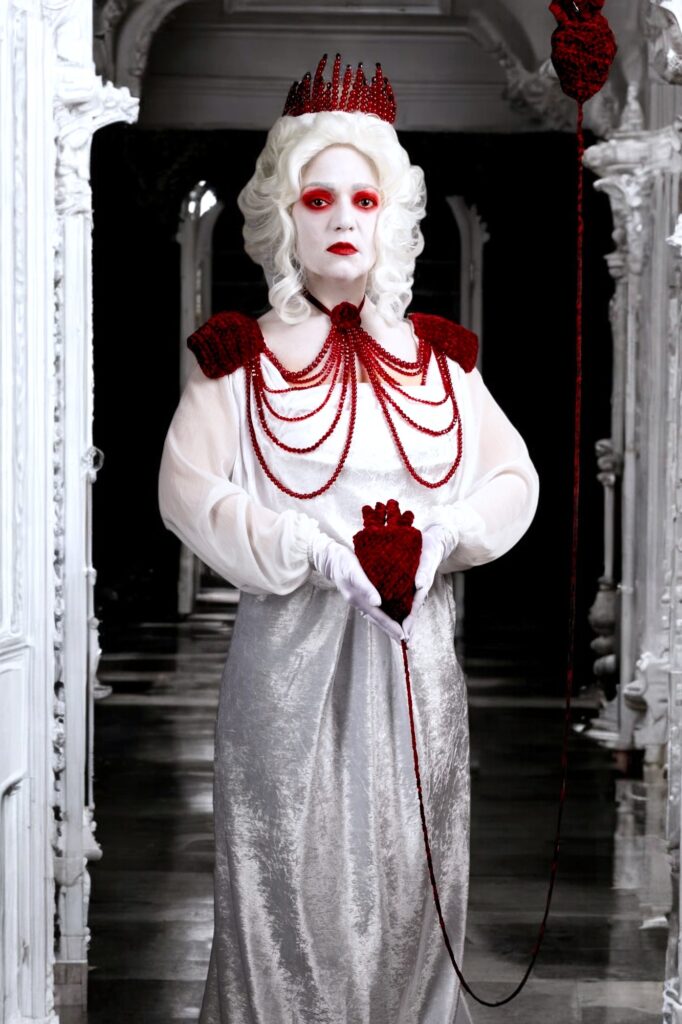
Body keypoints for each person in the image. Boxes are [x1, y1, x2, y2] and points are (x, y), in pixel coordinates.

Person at [158, 53, 539, 1024]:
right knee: (285, 882)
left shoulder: (441, 361)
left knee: (410, 877)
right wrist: (315, 552)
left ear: (390, 217)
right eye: (317, 198)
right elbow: (186, 492)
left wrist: (441, 536)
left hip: (414, 667)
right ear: (282, 216)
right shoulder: (235, 359)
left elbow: (513, 480)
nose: (340, 219)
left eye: (362, 200)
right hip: (286, 668)